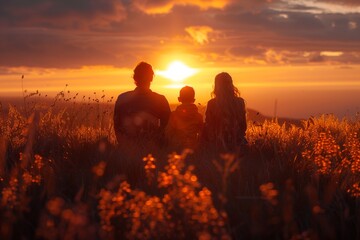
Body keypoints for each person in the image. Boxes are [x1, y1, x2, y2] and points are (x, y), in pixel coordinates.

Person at [113, 61, 171, 149]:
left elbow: (117, 126)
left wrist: (125, 145)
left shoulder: (122, 98)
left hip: (127, 148)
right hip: (152, 148)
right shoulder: (160, 100)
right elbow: (167, 128)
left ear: (135, 78)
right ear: (151, 78)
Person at [202, 72, 247, 154]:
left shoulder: (212, 103)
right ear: (231, 84)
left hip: (217, 143)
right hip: (238, 143)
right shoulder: (240, 102)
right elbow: (243, 126)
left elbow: (208, 126)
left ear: (216, 86)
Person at [165, 86, 203, 151]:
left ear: (179, 99)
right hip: (193, 149)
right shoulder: (199, 116)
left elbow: (168, 133)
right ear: (194, 100)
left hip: (177, 149)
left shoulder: (174, 115)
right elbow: (202, 134)